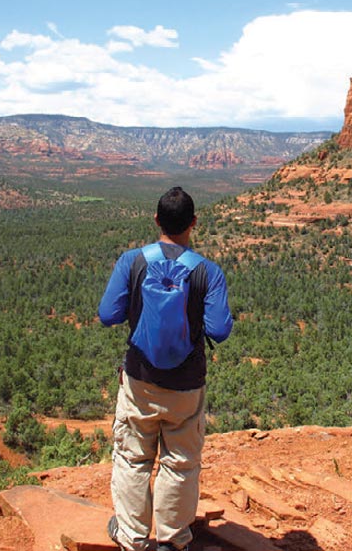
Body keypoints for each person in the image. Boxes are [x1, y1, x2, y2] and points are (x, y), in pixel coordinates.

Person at [98, 187, 234, 551]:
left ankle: (131, 537)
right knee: (180, 462)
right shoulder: (208, 272)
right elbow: (220, 331)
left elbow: (107, 314)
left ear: (156, 219)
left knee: (132, 457)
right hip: (186, 385)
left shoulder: (132, 261)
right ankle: (172, 541)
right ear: (193, 224)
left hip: (140, 379)